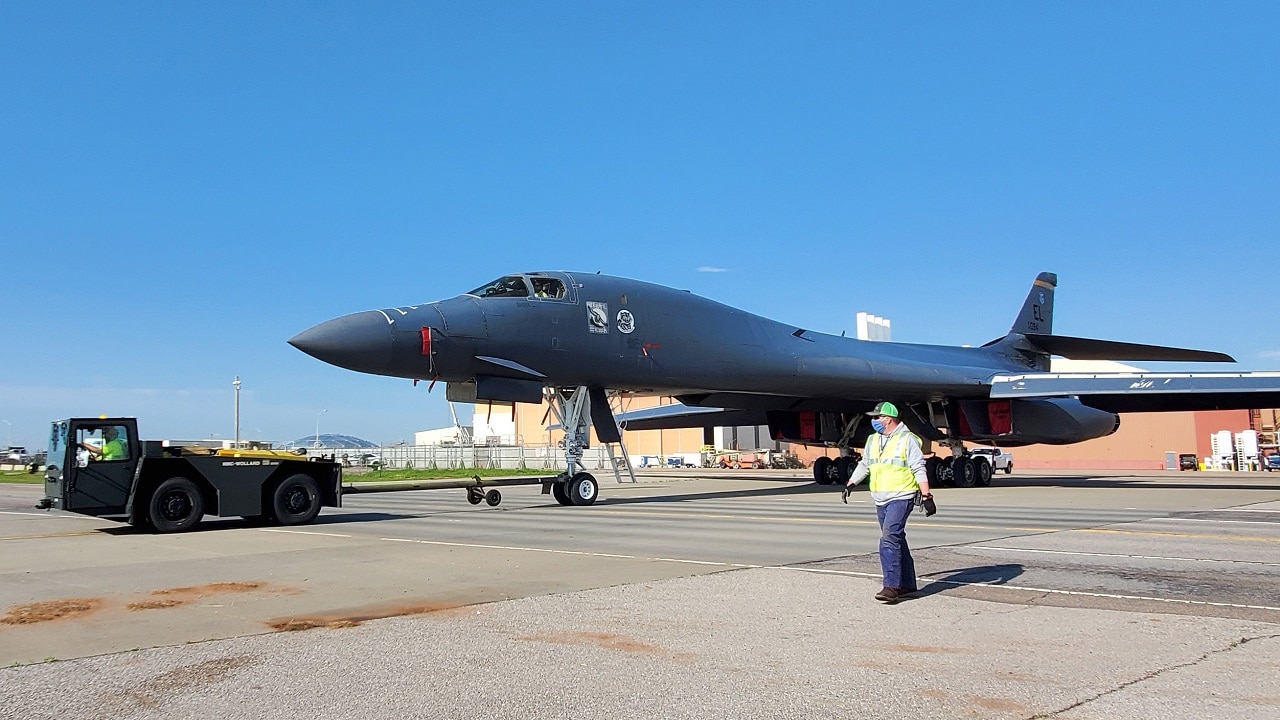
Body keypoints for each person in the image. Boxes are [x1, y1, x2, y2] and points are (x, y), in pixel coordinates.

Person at [844, 401, 931, 604]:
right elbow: (865, 463)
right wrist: (851, 482)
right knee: (897, 538)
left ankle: (891, 586)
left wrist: (926, 496)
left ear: (888, 419)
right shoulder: (873, 440)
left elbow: (918, 467)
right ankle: (908, 585)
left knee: (889, 537)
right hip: (880, 497)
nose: (873, 421)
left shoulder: (907, 439)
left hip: (902, 495)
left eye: (877, 417)